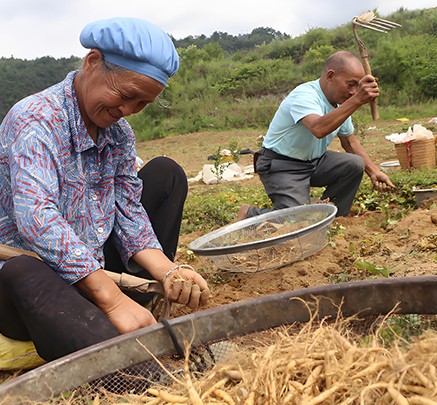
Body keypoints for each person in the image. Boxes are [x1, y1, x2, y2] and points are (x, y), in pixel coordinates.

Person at [0, 18, 209, 362]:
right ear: (92, 62)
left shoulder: (119, 134)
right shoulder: (36, 120)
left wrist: (168, 271)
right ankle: (115, 337)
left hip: (95, 269)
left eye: (141, 104)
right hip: (37, 286)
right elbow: (37, 220)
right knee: (21, 270)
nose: (127, 111)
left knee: (166, 174)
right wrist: (110, 299)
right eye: (125, 96)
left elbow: (129, 211)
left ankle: (131, 307)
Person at [238, 51, 395, 220]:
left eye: (358, 87)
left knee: (354, 164)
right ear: (330, 76)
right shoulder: (305, 95)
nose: (353, 92)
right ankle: (250, 215)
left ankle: (331, 219)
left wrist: (374, 172)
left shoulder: (340, 104)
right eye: (350, 85)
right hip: (282, 165)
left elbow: (349, 141)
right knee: (297, 220)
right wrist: (357, 100)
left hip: (314, 162)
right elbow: (318, 128)